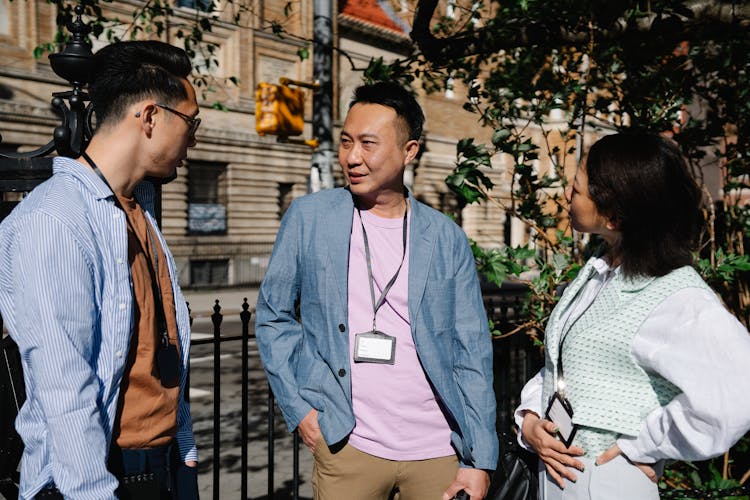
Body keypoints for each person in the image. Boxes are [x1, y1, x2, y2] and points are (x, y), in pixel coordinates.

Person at [255, 82, 498, 500]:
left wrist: (479, 459)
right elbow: (273, 316)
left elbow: (471, 351)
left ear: (410, 151)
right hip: (348, 445)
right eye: (346, 141)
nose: (351, 157)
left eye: (368, 144)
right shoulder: (310, 218)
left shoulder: (445, 237)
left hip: (437, 451)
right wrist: (299, 410)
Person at [0, 40, 200, 499]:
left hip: (165, 463)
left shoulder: (139, 207)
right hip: (101, 476)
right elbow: (64, 385)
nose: (194, 138)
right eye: (191, 123)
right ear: (150, 117)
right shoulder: (54, 221)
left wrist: (183, 446)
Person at [514, 133, 750, 500]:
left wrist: (645, 444)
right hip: (561, 482)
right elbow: (564, 363)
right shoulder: (598, 270)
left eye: (577, 189)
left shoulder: (676, 295)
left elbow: (738, 390)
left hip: (608, 483)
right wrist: (530, 417)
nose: (566, 196)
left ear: (613, 214)